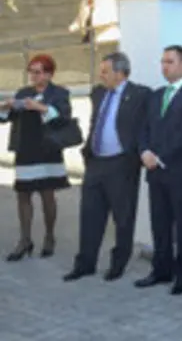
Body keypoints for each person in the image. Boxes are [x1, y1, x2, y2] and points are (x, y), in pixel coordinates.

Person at [63, 52, 151, 282]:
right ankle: (85, 263)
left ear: (120, 73)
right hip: (96, 162)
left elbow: (146, 127)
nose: (100, 75)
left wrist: (139, 152)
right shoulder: (98, 92)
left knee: (123, 218)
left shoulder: (140, 94)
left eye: (105, 71)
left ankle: (118, 264)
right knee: (90, 215)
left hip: (121, 164)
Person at [134, 45, 182, 295]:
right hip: (155, 172)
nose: (164, 66)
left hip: (181, 172)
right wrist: (144, 152)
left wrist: (159, 155)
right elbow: (143, 128)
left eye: (170, 62)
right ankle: (161, 270)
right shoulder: (156, 95)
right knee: (159, 223)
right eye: (162, 62)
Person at [1, 54, 72, 261]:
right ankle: (25, 240)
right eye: (31, 71)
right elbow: (8, 118)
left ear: (49, 74)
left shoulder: (59, 93)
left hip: (48, 150)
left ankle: (50, 237)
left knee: (47, 195)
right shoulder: (24, 92)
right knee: (23, 195)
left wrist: (39, 107)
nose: (33, 76)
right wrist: (6, 108)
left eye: (38, 72)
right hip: (25, 149)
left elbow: (63, 118)